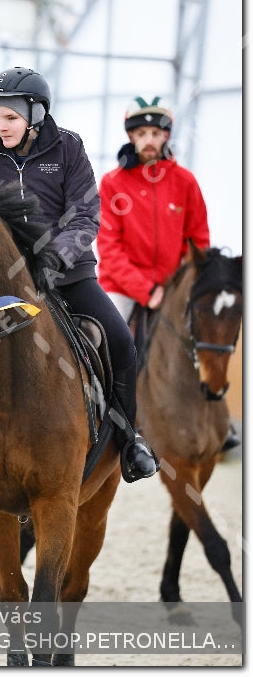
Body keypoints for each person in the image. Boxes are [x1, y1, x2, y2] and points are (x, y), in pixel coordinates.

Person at [0, 66, 159, 481]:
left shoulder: (68, 148)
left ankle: (130, 438)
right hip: (6, 280)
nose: (1, 126)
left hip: (69, 274)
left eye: (10, 117)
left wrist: (55, 258)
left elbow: (85, 214)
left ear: (36, 114)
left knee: (120, 341)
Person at [97, 95, 240, 452]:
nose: (149, 139)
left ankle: (218, 422)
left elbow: (199, 243)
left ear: (166, 137)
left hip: (178, 287)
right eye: (141, 132)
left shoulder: (186, 182)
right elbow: (109, 250)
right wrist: (147, 290)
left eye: (156, 133)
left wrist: (180, 286)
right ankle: (103, 416)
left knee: (207, 337)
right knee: (103, 342)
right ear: (131, 136)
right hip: (124, 288)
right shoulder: (112, 184)